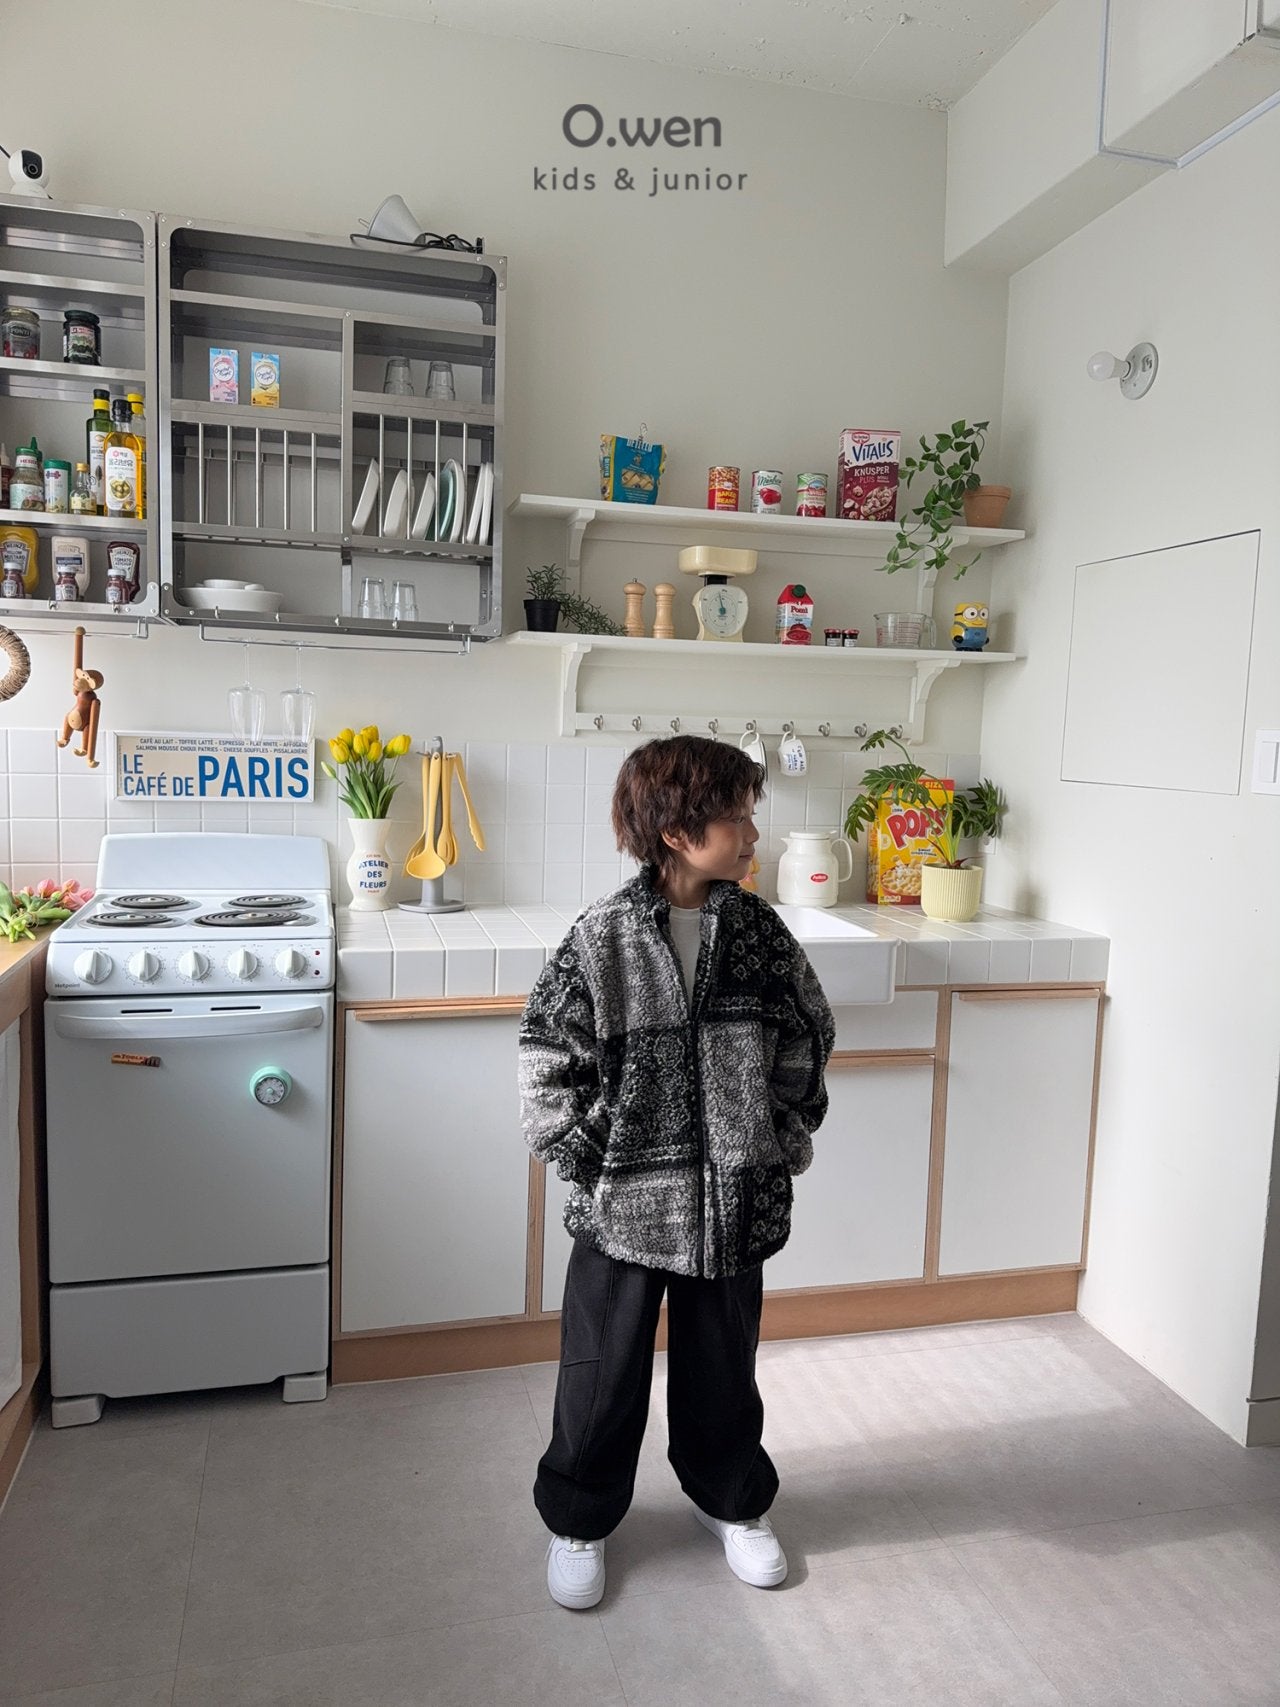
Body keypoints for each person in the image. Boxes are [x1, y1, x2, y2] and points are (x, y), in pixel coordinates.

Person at [518, 734, 835, 1610]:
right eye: (737, 817)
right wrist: (598, 1166)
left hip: (734, 1197)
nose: (753, 834)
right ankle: (579, 1517)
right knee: (600, 1371)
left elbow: (807, 1037)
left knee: (725, 1366)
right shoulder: (602, 938)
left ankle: (731, 1499)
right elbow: (547, 1065)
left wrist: (778, 1140)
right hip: (623, 1207)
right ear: (676, 831)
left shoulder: (761, 934)